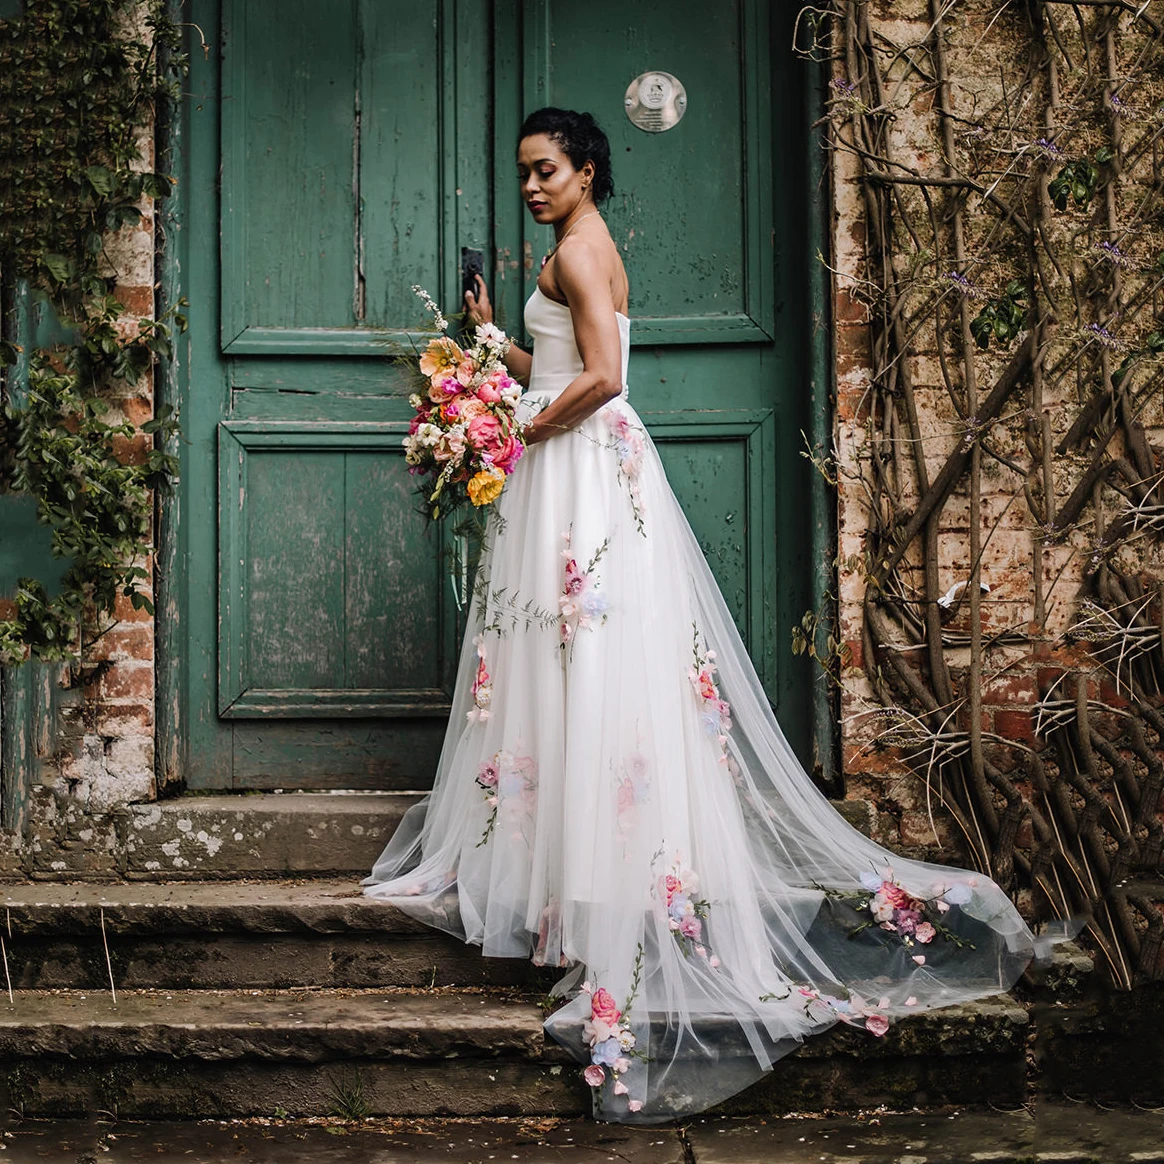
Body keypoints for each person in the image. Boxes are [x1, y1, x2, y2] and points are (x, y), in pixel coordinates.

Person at [364, 107, 1043, 1124]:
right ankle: (574, 884)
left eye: (547, 172)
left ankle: (589, 897)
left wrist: (516, 428)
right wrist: (493, 351)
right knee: (568, 665)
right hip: (583, 466)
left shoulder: (584, 253)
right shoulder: (578, 250)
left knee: (576, 661)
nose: (533, 188)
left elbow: (602, 380)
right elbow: (560, 366)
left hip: (580, 468)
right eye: (525, 175)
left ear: (589, 171)